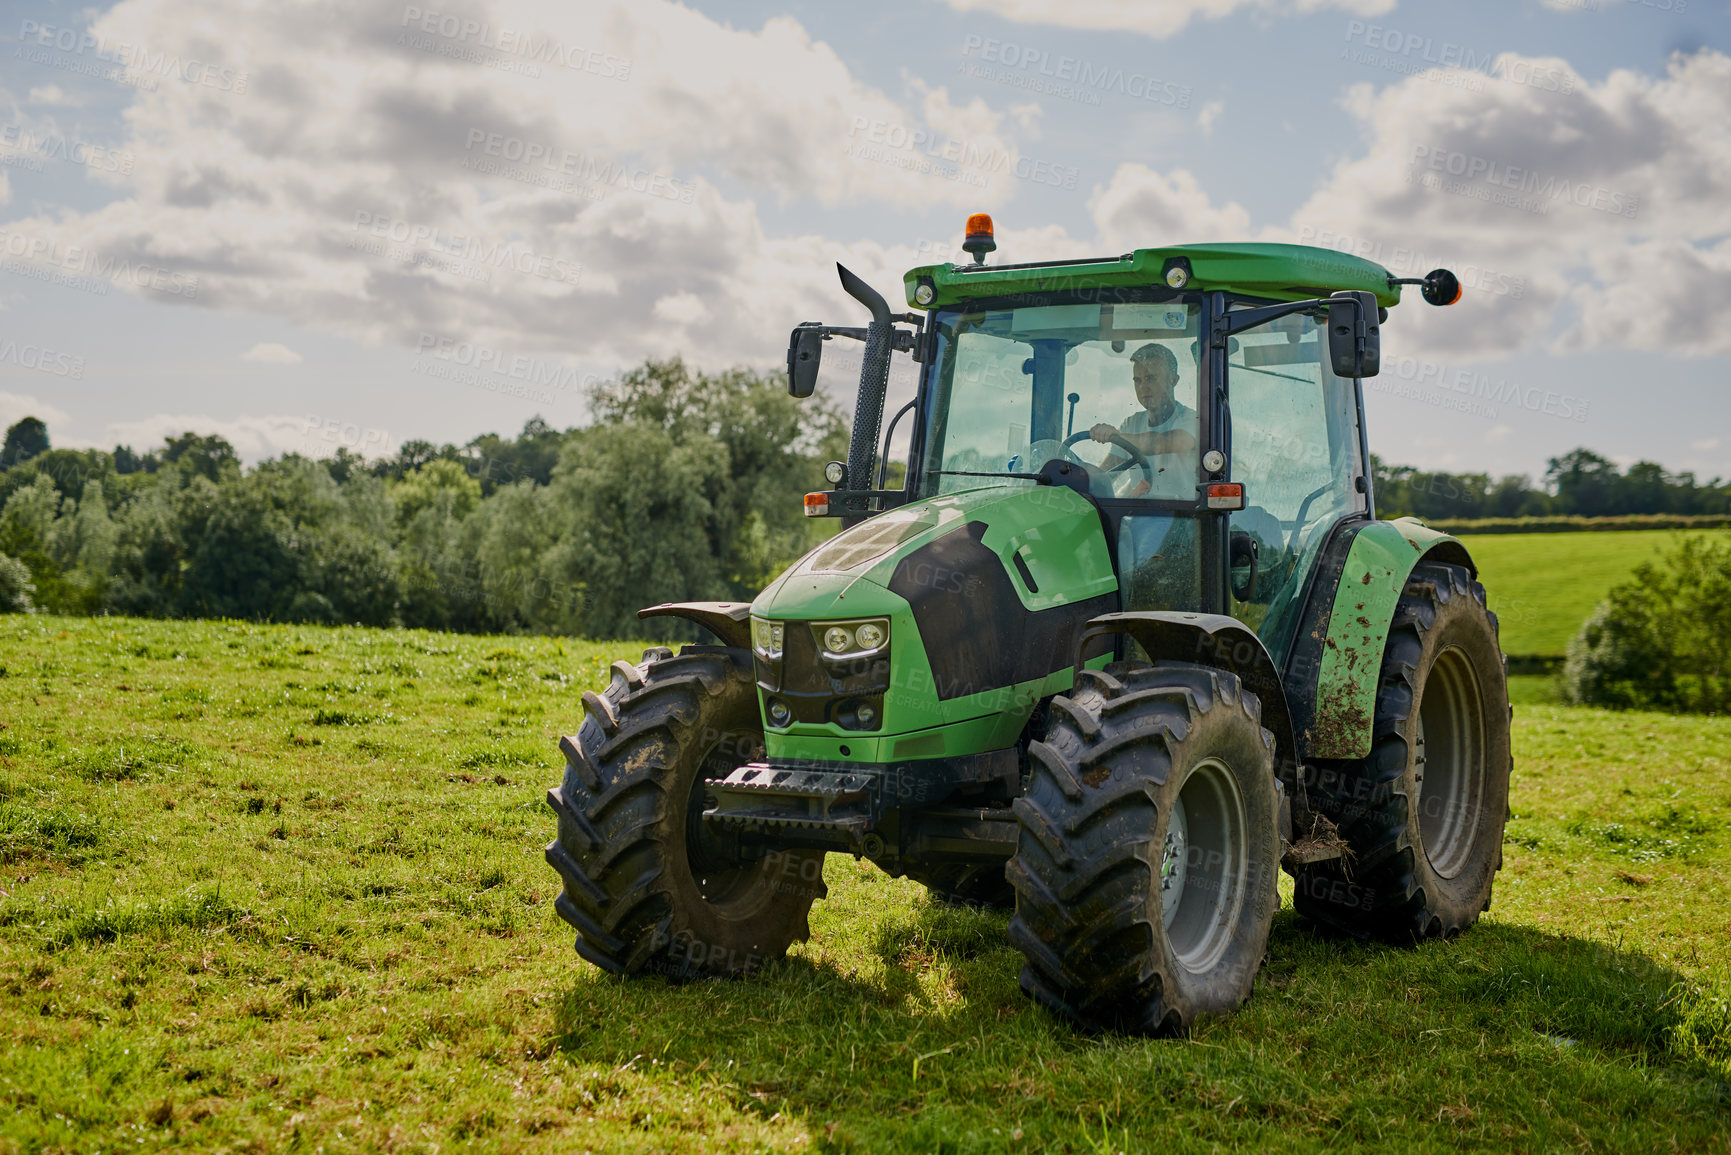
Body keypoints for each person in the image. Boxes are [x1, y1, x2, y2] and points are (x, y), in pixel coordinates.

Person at [1088, 342, 1198, 491]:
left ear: (1173, 380)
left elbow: (1162, 443)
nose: (1143, 388)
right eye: (1138, 380)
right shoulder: (1131, 424)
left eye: (1151, 378)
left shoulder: (1192, 420)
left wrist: (1116, 436)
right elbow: (1106, 475)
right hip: (1137, 512)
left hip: (1181, 512)